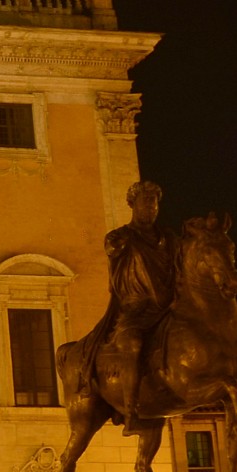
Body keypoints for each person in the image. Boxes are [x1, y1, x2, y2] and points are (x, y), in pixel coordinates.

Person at [76, 180, 177, 430]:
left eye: (154, 203)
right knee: (132, 344)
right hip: (136, 309)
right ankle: (130, 410)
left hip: (168, 307)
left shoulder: (169, 239)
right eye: (146, 201)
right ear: (132, 204)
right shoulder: (119, 237)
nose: (151, 207)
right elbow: (112, 251)